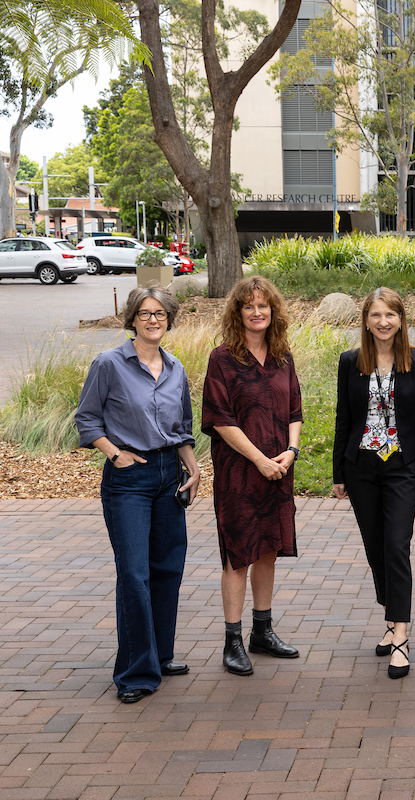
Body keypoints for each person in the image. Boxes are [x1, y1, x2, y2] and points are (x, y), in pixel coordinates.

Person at [76, 286, 201, 703]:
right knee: (134, 573)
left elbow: (181, 427)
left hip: (169, 474)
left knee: (167, 568)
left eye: (161, 313)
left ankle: (161, 655)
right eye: (145, 313)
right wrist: (116, 455)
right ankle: (135, 675)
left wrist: (194, 467)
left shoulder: (175, 368)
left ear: (169, 319)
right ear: (132, 318)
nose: (153, 320)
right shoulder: (109, 364)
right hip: (129, 480)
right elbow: (88, 420)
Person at [333, 288, 415, 679]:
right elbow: (344, 418)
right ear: (365, 320)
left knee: (397, 546)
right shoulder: (350, 362)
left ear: (401, 320)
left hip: (401, 467)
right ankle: (391, 618)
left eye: (390, 315)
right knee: (376, 549)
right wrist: (338, 473)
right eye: (375, 315)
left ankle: (401, 639)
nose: (383, 322)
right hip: (360, 468)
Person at [202, 276, 303, 676]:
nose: (257, 312)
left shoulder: (283, 357)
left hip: (278, 471)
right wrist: (260, 459)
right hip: (239, 473)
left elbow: (295, 409)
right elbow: (220, 420)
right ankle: (233, 641)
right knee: (238, 555)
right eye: (249, 306)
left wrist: (291, 452)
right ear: (237, 312)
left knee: (267, 549)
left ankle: (263, 631)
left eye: (264, 305)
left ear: (273, 311)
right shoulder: (222, 359)